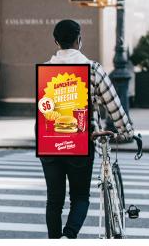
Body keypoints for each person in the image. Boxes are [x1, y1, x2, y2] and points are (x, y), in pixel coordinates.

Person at [40, 19, 134, 239]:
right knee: (80, 197)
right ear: (79, 40)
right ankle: (69, 236)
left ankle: (54, 240)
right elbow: (114, 105)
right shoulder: (92, 69)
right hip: (80, 143)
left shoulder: (44, 70)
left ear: (56, 41)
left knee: (54, 200)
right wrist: (127, 132)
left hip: (50, 143)